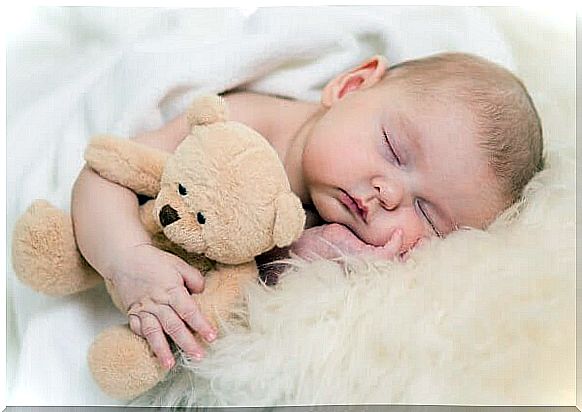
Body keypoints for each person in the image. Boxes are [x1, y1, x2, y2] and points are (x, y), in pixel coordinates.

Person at [70, 52, 544, 370]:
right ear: (351, 86)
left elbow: (243, 275)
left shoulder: (338, 230)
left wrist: (300, 257)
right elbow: (104, 173)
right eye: (394, 149)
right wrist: (126, 259)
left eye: (427, 213)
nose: (389, 194)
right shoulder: (238, 130)